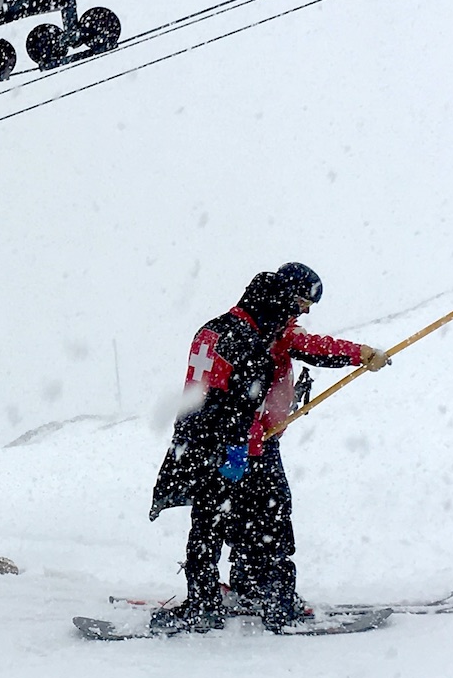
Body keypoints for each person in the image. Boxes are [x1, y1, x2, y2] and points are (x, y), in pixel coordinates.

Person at [149, 262, 389, 633]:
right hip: (242, 446)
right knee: (268, 521)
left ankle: (210, 600)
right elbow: (235, 402)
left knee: (214, 523)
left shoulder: (219, 328)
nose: (303, 312)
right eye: (301, 303)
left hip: (202, 446)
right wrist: (238, 450)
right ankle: (275, 602)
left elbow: (212, 395)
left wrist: (359, 353)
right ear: (283, 297)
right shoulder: (256, 339)